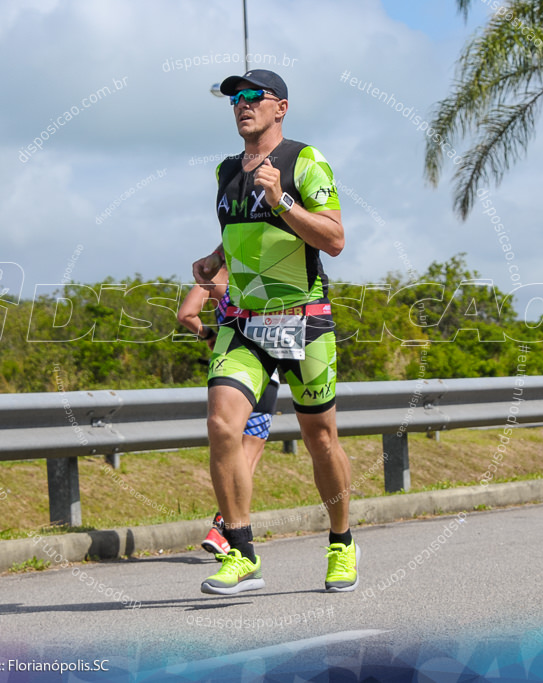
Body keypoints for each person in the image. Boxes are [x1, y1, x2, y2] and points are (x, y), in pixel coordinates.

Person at [192, 69, 358, 595]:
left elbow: (334, 239)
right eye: (233, 99)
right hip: (244, 324)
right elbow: (242, 236)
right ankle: (241, 553)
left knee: (321, 440)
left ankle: (341, 541)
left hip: (304, 323)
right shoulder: (225, 170)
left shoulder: (305, 161)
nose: (241, 105)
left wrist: (285, 200)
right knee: (223, 424)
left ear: (280, 107)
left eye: (252, 97)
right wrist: (215, 260)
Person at [178, 269, 280, 556]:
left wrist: (209, 335)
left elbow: (186, 314)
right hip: (263, 367)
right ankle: (224, 527)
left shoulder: (213, 275)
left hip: (228, 367)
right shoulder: (261, 269)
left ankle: (225, 528)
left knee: (229, 450)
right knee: (248, 455)